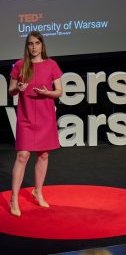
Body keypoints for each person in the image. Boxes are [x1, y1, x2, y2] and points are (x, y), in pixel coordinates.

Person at [8, 31, 63, 217]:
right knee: (22, 155)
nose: (34, 47)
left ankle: (38, 191)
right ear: (27, 46)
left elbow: (59, 92)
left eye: (37, 43)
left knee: (44, 155)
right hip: (26, 117)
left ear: (42, 45)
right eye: (30, 43)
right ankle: (14, 198)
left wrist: (48, 93)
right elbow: (11, 91)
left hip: (45, 117)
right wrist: (18, 88)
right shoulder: (20, 65)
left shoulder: (51, 64)